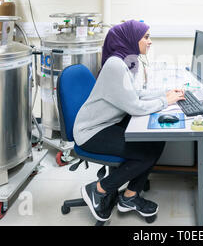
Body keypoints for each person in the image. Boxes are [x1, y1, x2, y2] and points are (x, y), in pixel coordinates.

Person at [73, 19, 185, 223]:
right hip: (92, 131)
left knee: (155, 140)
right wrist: (164, 101)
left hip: (108, 123)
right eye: (146, 37)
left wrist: (166, 93)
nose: (150, 42)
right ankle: (98, 189)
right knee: (145, 153)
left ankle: (130, 196)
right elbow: (135, 107)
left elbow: (137, 94)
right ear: (132, 39)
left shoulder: (125, 61)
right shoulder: (115, 65)